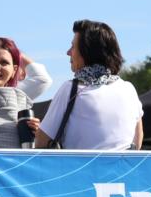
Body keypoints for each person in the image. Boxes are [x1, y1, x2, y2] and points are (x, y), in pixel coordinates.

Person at [33, 20, 143, 151]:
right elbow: (137, 141)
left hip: (82, 170)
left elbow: (42, 142)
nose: (68, 52)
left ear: (87, 51)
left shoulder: (71, 89)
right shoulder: (128, 89)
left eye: (73, 47)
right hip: (123, 170)